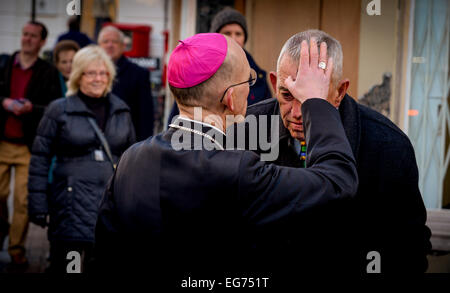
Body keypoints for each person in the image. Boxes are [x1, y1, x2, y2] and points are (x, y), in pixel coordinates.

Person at [94, 33, 358, 275]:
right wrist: (317, 103)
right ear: (231, 98)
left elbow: (106, 250)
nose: (251, 91)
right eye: (248, 81)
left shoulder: (130, 159)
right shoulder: (239, 170)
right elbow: (337, 181)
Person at [246, 29, 432, 273]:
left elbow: (409, 246)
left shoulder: (388, 145)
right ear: (273, 83)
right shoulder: (247, 129)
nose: (298, 112)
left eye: (314, 98)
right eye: (287, 95)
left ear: (340, 92)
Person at [27, 45, 135, 273]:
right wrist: (37, 204)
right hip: (70, 207)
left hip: (109, 207)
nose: (98, 78)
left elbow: (132, 159)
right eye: (91, 73)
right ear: (78, 76)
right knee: (69, 267)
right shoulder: (59, 110)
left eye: (103, 73)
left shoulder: (121, 110)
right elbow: (40, 158)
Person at [0, 21, 61, 272]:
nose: (27, 39)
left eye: (33, 36)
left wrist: (30, 108)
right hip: (2, 142)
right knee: (0, 197)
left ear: (42, 41)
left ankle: (17, 250)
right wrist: (4, 101)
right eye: (25, 34)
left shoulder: (47, 71)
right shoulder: (3, 64)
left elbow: (54, 106)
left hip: (28, 146)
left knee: (23, 201)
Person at [167, 7, 271, 125]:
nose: (233, 39)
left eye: (238, 34)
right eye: (227, 33)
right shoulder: (199, 73)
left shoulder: (259, 78)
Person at [98, 25, 154, 141]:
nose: (110, 45)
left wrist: (143, 146)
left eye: (115, 42)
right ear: (99, 46)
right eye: (105, 41)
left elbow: (145, 116)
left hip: (126, 142)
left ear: (123, 46)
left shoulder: (139, 74)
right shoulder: (89, 72)